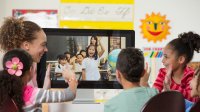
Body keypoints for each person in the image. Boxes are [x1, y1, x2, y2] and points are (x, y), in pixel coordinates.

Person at [0, 49, 77, 112]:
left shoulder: (3, 92)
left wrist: (46, 78)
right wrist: (71, 77)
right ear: (31, 69)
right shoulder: (34, 94)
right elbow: (70, 94)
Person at [0, 17, 50, 88]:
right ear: (26, 45)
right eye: (43, 45)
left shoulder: (32, 65)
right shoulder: (12, 73)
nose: (46, 50)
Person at [104, 48, 158, 112]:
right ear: (143, 73)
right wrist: (145, 83)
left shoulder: (110, 105)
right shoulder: (155, 94)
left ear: (118, 74)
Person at [153, 31, 200, 102]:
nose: (162, 60)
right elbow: (154, 95)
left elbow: (193, 99)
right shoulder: (163, 73)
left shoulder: (191, 75)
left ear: (181, 59)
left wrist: (171, 85)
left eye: (166, 57)